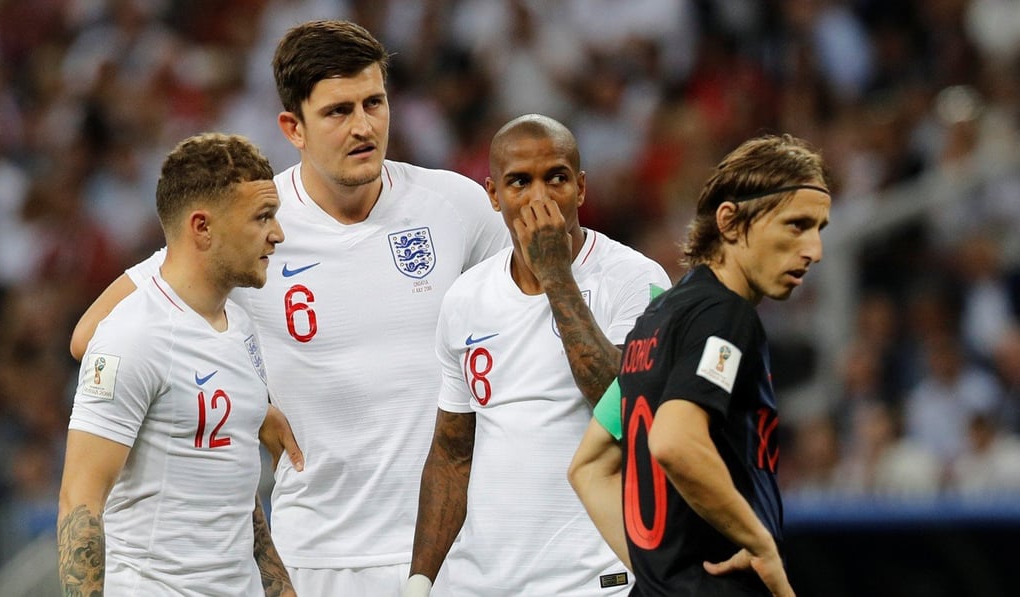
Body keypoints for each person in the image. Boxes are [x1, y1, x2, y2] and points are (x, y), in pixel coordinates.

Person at [69, 20, 510, 595]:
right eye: (337, 111)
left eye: (374, 103)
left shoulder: (456, 206)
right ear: (292, 127)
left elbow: (515, 325)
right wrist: (245, 403)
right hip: (319, 554)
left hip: (457, 544)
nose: (363, 126)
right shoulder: (252, 224)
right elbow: (91, 334)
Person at [404, 114, 671, 597]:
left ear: (582, 188)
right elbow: (451, 454)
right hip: (478, 584)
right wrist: (419, 581)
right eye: (519, 182)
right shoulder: (465, 298)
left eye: (557, 178)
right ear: (492, 195)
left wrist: (555, 275)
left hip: (592, 582)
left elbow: (625, 408)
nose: (540, 196)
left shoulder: (636, 280)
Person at [569, 133, 832, 596]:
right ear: (730, 221)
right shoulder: (726, 315)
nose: (814, 250)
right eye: (796, 225)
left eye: (819, 229)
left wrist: (662, 576)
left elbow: (589, 467)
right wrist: (761, 544)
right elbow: (675, 440)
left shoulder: (656, 317)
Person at [57, 132, 294, 596]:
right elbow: (80, 502)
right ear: (202, 227)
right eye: (262, 217)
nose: (277, 233)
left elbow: (238, 491)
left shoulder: (241, 328)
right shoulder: (134, 334)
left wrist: (281, 589)